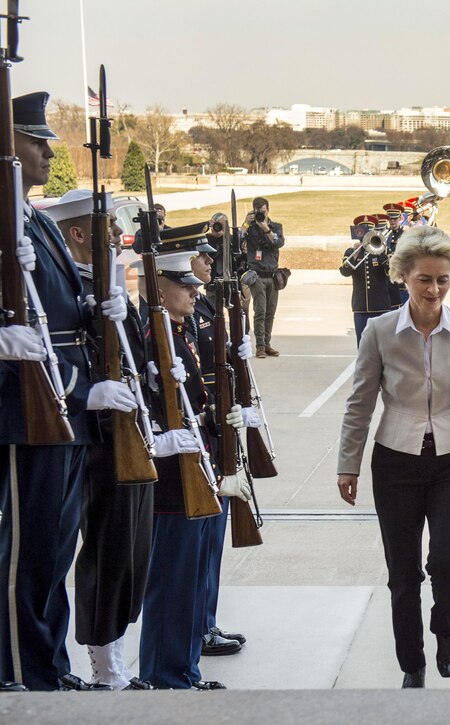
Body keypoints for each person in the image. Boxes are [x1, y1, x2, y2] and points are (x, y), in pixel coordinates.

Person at [0, 92, 132, 692]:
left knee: (51, 552)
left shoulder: (33, 219)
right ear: (7, 146)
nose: (49, 150)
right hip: (24, 411)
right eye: (37, 140)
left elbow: (61, 313)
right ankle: (20, 674)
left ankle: (46, 665)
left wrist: (99, 303)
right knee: (23, 558)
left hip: (66, 407)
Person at [337, 225, 450, 689]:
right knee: (403, 573)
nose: (434, 289)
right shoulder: (380, 331)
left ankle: (445, 629)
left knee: (447, 561)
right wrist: (348, 463)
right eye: (424, 279)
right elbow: (360, 401)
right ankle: (412, 662)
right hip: (395, 462)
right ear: (403, 278)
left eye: (443, 279)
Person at [46, 190, 159, 690]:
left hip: (129, 432)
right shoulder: (74, 292)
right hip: (96, 438)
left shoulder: (110, 286)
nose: (117, 234)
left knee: (132, 552)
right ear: (77, 234)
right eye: (106, 226)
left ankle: (114, 652)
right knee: (106, 551)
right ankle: (101, 663)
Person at [137, 243, 247, 691]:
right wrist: (167, 437)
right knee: (172, 581)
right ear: (160, 289)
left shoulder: (179, 332)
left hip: (196, 468)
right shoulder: (151, 338)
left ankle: (183, 670)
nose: (193, 292)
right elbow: (147, 410)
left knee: (190, 579)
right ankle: (164, 675)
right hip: (172, 479)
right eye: (184, 286)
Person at [179, 227, 255, 660]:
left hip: (219, 424)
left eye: (210, 258)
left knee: (215, 536)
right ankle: (198, 627)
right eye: (202, 258)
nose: (209, 263)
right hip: (202, 425)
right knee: (203, 537)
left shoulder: (208, 305)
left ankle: (205, 622)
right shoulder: (186, 310)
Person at [341, 214, 392, 345]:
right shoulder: (350, 252)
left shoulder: (383, 250)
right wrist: (354, 255)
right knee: (362, 343)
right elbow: (345, 272)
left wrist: (381, 254)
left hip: (380, 305)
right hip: (361, 306)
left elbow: (391, 272)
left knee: (383, 343)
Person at [243, 196, 284, 358]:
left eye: (263, 212)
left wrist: (266, 228)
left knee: (270, 312)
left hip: (273, 275)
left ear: (268, 210)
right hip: (257, 275)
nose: (261, 215)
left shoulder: (276, 227)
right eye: (258, 212)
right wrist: (246, 224)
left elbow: (278, 242)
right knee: (260, 311)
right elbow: (238, 240)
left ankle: (267, 343)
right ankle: (260, 345)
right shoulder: (250, 228)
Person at [383, 203, 408, 307]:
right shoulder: (383, 235)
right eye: (390, 219)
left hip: (401, 282)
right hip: (387, 279)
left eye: (394, 219)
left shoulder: (405, 234)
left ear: (399, 218)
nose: (392, 221)